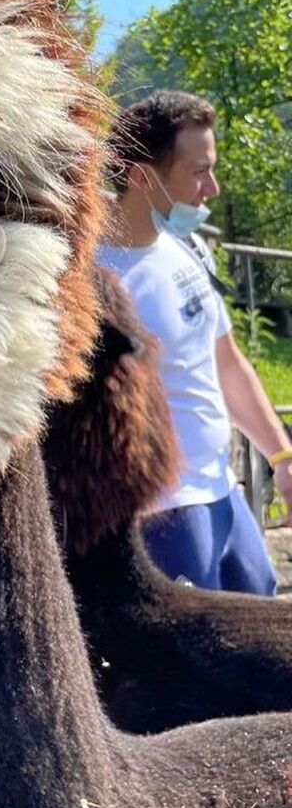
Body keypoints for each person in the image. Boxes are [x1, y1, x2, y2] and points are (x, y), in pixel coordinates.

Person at [98, 89, 290, 596]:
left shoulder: (189, 251)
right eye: (199, 170)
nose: (213, 187)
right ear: (142, 177)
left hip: (223, 496)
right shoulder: (94, 280)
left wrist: (282, 455)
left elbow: (226, 363)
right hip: (162, 516)